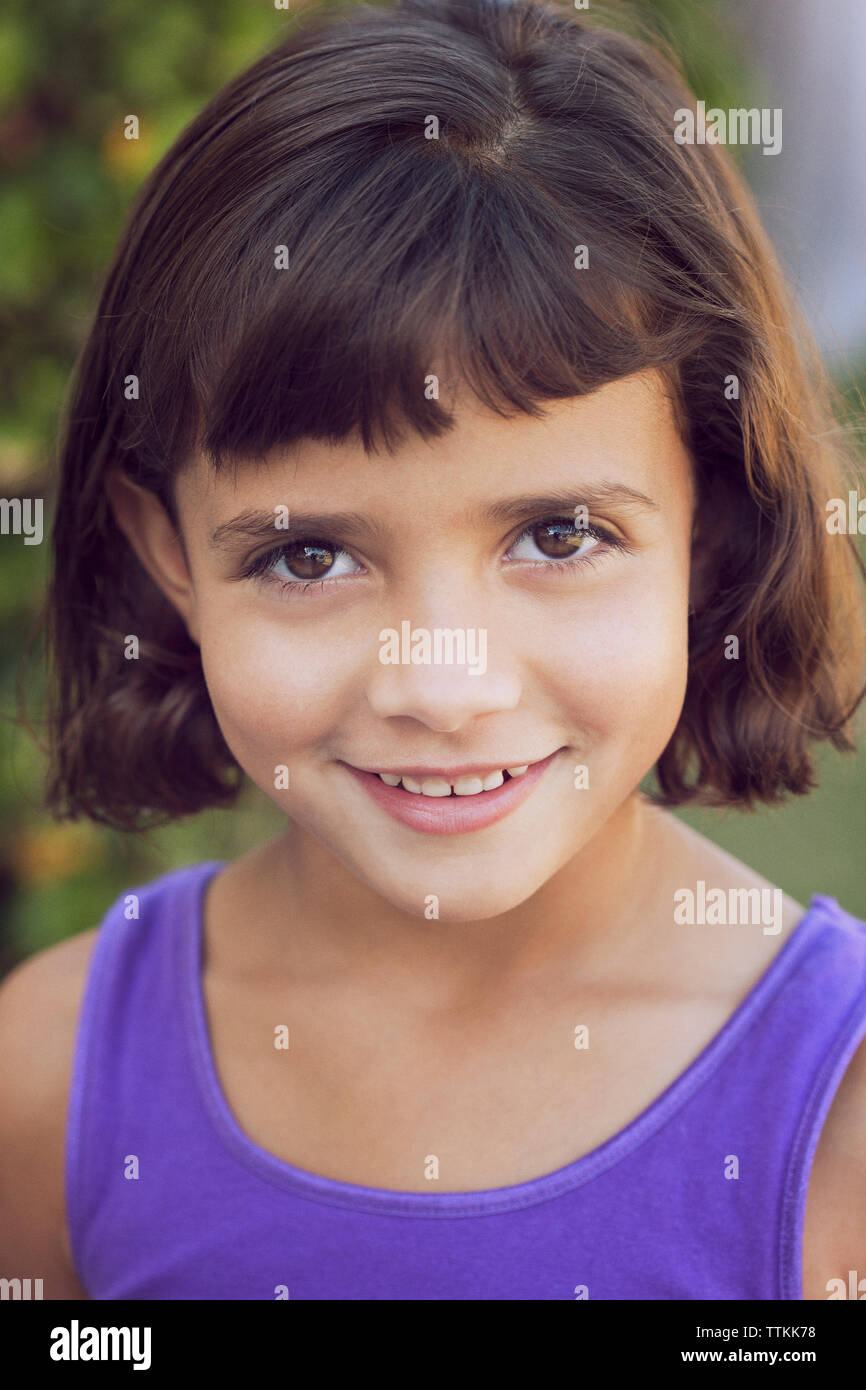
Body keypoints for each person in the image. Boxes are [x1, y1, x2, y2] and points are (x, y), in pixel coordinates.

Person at [2, 0, 865, 1301]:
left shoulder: (835, 1112)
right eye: (307, 556)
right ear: (169, 554)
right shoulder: (54, 1077)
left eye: (557, 534)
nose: (440, 683)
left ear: (713, 518)